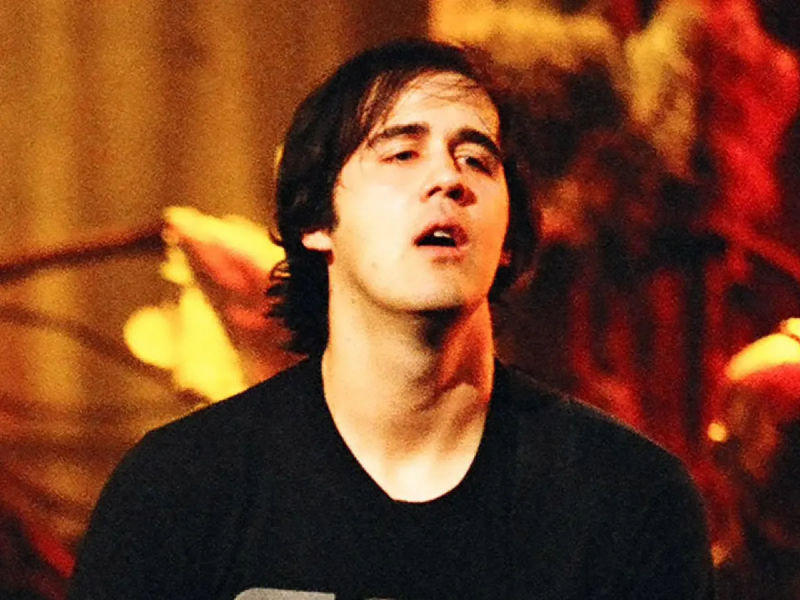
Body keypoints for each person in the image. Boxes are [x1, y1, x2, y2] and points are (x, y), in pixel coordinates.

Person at [68, 38, 713, 599]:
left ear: (508, 237)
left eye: (477, 160)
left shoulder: (627, 498)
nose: (448, 180)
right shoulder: (180, 490)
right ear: (317, 220)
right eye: (402, 153)